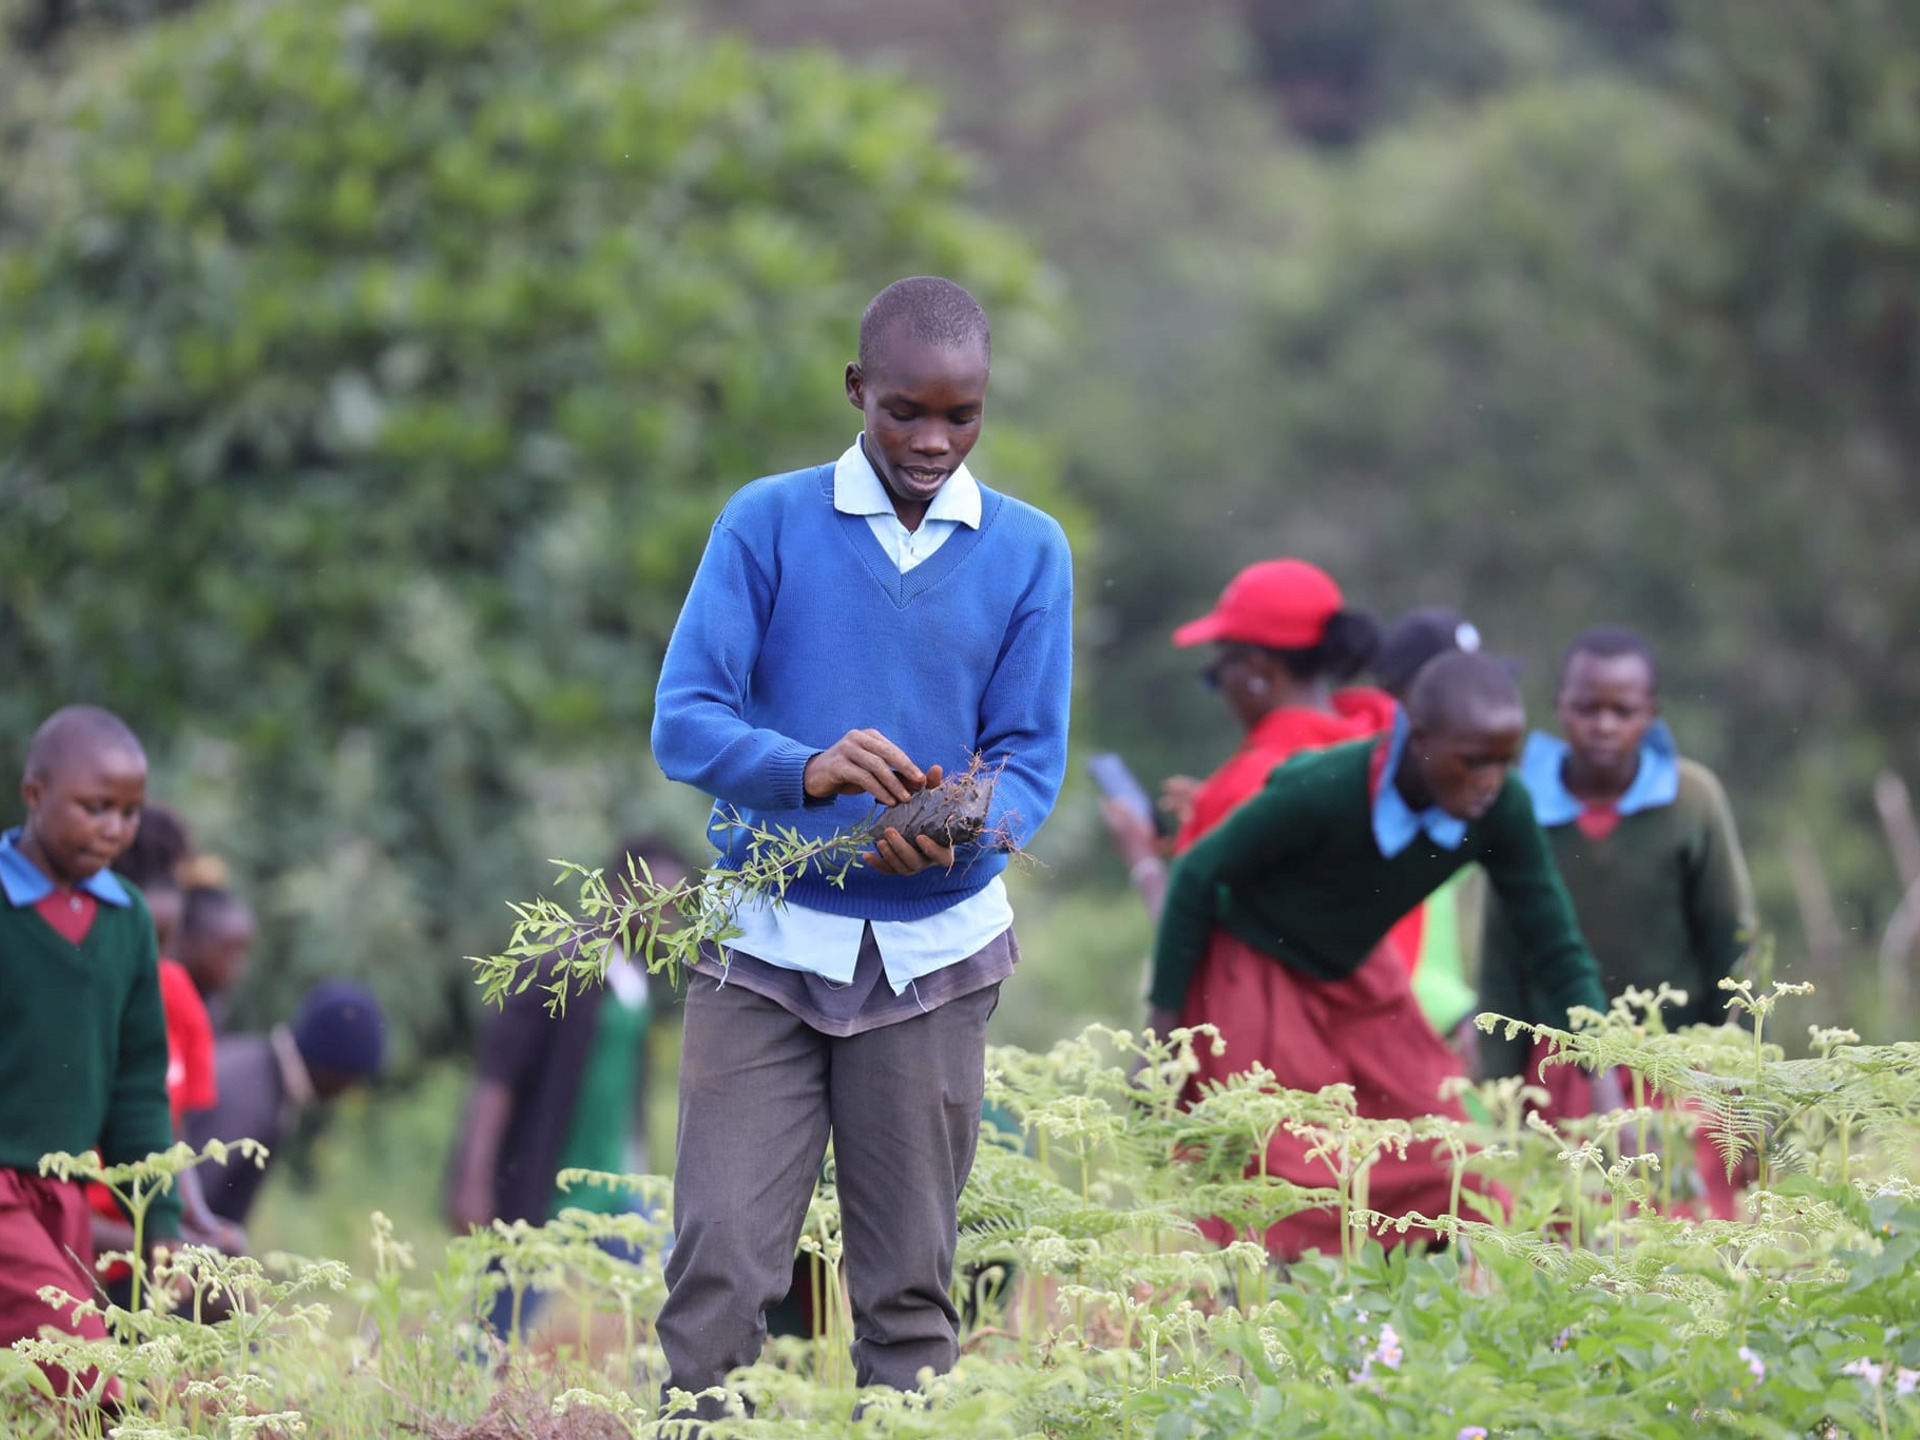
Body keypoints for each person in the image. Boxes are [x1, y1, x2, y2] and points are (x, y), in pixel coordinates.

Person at [648, 275, 1072, 1417]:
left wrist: (963, 835)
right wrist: (808, 770)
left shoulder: (1029, 552)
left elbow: (1027, 759)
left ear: (985, 408)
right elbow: (685, 719)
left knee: (907, 1296)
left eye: (961, 416)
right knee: (723, 1268)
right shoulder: (769, 522)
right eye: (904, 412)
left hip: (932, 961)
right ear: (856, 393)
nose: (932, 441)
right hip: (763, 949)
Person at [1146, 652, 1617, 1259]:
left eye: (1504, 762)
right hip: (1255, 965)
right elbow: (1196, 874)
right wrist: (1163, 1035)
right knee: (1272, 1169)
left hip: (1357, 974)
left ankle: (1416, 1323)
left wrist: (1603, 1075)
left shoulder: (1501, 809)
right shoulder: (1327, 786)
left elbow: (1554, 944)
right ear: (1417, 740)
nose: (1489, 781)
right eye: (1473, 761)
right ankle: (1261, 1316)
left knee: (1453, 1159)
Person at [1477, 626, 1754, 1214]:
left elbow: (1731, 941)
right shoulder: (1520, 806)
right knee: (1572, 1234)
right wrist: (1499, 1097)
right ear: (1559, 708)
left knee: (1685, 1235)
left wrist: (1744, 1085)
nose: (1603, 725)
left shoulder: (1691, 799)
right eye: (1587, 708)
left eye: (1622, 710)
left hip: (1679, 1067)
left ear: (1650, 713)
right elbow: (1501, 959)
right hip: (1561, 1071)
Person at [0, 705, 179, 1401]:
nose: (114, 828)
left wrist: (156, 1220)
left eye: (130, 812)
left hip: (65, 1195)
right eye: (96, 807)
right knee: (89, 1377)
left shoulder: (127, 918)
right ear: (35, 794)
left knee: (36, 1398)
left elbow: (138, 1081)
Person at [446, 834, 691, 1337]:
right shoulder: (560, 967)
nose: (661, 917)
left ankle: (671, 1411)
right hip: (546, 1190)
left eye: (672, 907)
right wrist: (472, 1179)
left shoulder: (635, 978)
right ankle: (459, 1407)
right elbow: (496, 1079)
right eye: (651, 900)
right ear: (615, 892)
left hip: (613, 1190)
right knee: (498, 1324)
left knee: (674, 1301)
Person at [1100, 558, 1395, 918]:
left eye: (1217, 670)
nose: (1220, 687)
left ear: (1257, 669)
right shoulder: (1388, 750)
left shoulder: (1251, 783)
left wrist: (1141, 858)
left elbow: (1183, 942)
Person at [88, 803, 242, 1298]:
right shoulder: (76, 995)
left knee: (230, 1291)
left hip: (144, 1233)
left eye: (159, 943)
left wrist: (200, 1223)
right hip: (74, 1231)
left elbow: (174, 1135)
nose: (146, 963)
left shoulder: (177, 995)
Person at [1372, 607, 1517, 1047]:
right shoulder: (1387, 803)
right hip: (1405, 1036)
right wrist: (1457, 1015)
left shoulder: (1450, 801)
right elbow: (1403, 956)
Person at [188, 980, 387, 1227]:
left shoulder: (260, 1072)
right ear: (333, 1068)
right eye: (353, 1079)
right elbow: (190, 1200)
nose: (351, 1091)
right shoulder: (251, 1100)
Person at [175, 882, 255, 1031]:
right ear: (190, 942)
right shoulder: (164, 1001)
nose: (239, 963)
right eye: (228, 949)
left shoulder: (212, 1004)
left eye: (242, 950)